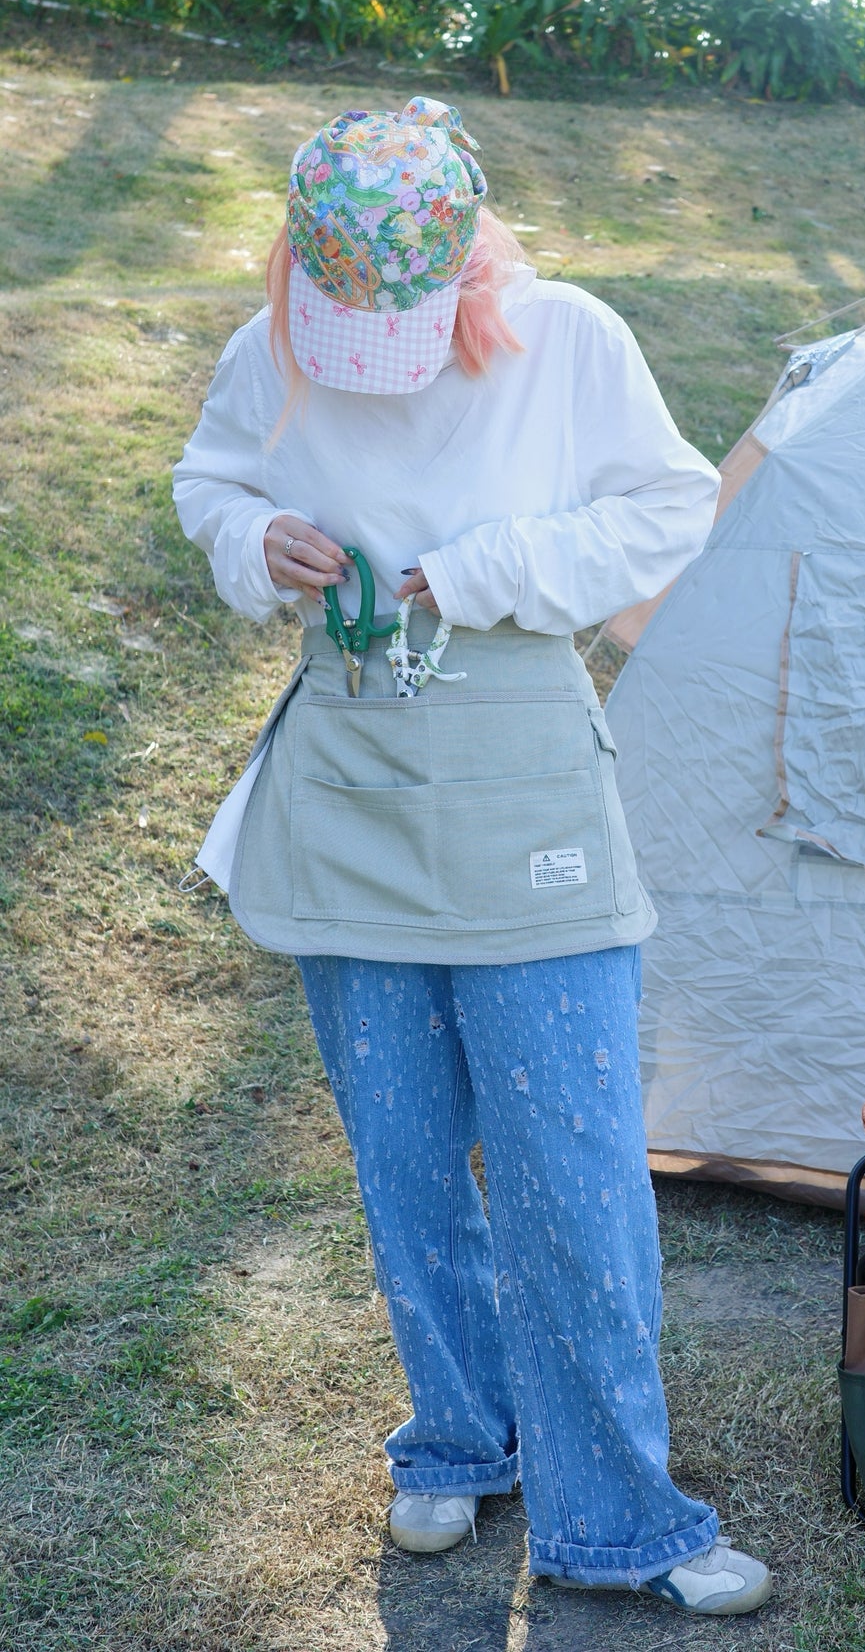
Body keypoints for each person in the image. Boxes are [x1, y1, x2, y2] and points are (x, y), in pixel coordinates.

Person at [172, 98, 772, 1617]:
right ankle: (459, 1436)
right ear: (302, 270)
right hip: (347, 773)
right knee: (402, 1146)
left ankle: (620, 1517)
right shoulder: (277, 343)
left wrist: (479, 572)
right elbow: (213, 482)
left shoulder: (567, 338)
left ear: (469, 270)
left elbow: (669, 506)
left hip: (517, 762)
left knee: (570, 1164)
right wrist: (262, 545)